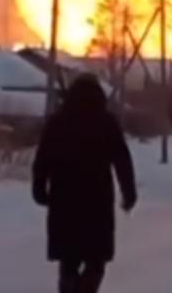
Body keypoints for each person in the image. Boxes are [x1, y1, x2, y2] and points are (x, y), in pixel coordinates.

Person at [32, 75, 137, 293]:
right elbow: (122, 160)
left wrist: (40, 189)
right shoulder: (106, 122)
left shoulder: (57, 122)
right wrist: (129, 193)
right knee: (96, 260)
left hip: (64, 201)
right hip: (96, 203)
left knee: (68, 260)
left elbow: (42, 159)